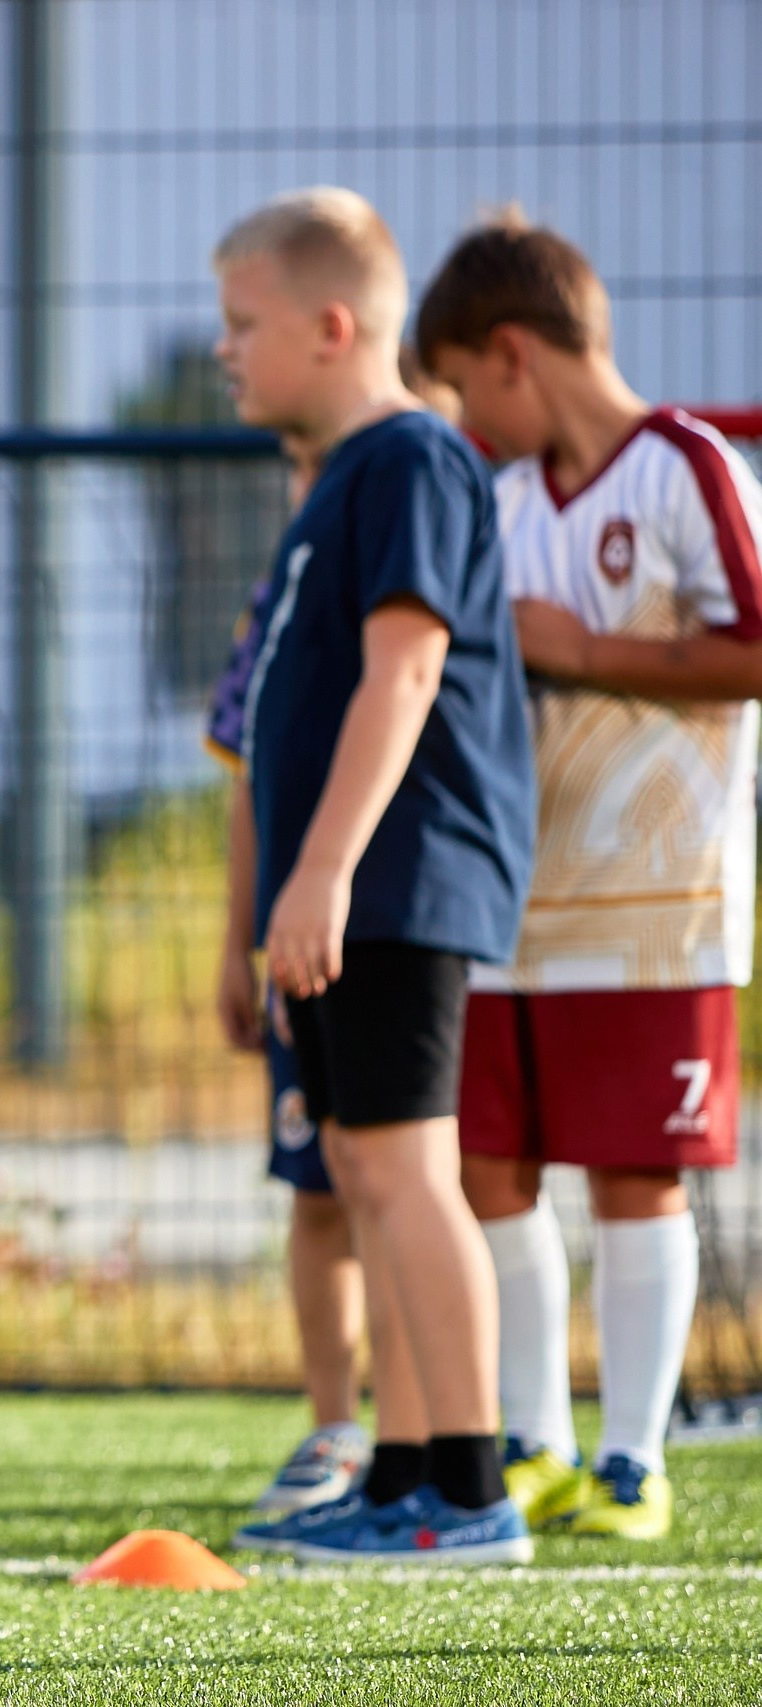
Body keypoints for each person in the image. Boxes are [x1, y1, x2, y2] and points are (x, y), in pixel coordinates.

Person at [419, 214, 762, 1542]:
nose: (465, 417)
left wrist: (580, 648)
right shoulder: (500, 500)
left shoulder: (690, 467)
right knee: (491, 1165)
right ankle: (537, 1440)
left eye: (461, 384)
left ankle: (633, 1458)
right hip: (507, 895)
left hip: (655, 908)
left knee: (636, 1171)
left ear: (513, 354)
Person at [210, 187, 537, 1564]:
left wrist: (324, 869)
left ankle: (469, 1489)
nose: (224, 349)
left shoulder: (411, 459)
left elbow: (407, 672)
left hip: (398, 878)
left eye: (244, 324)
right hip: (353, 886)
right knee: (358, 1158)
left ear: (334, 325)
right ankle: (403, 1465)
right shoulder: (340, 474)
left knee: (404, 1168)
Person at [213, 457, 371, 1518]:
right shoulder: (270, 609)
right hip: (295, 954)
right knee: (317, 1191)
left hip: (397, 937)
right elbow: (245, 774)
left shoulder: (408, 590)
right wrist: (236, 940)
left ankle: (426, 1428)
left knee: (404, 1190)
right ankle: (336, 1427)